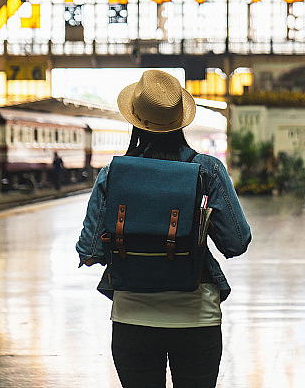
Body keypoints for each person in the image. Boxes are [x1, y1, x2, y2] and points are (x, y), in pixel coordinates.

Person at [76, 70, 252, 388]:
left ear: (135, 119)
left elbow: (89, 251)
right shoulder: (208, 170)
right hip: (197, 317)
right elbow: (236, 242)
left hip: (132, 318)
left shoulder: (112, 174)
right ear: (180, 120)